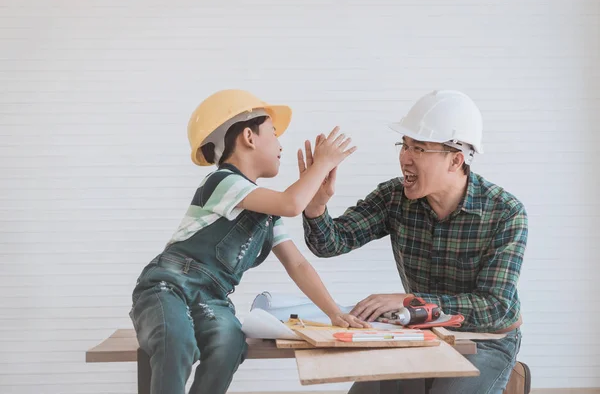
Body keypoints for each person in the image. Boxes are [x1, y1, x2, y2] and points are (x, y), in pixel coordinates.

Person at [129, 89, 370, 394]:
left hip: (212, 297)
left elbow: (297, 263)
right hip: (168, 286)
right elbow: (291, 203)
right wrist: (321, 164)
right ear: (248, 136)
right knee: (175, 338)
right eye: (273, 132)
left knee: (229, 343)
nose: (281, 144)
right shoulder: (223, 182)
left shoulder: (267, 212)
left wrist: (334, 312)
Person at [298, 90, 527, 394]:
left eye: (419, 148)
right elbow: (331, 243)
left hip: (485, 340)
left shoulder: (505, 212)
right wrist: (316, 206)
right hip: (419, 333)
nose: (404, 158)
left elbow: (495, 306)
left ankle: (508, 377)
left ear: (455, 160)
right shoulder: (394, 198)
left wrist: (411, 301)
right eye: (404, 145)